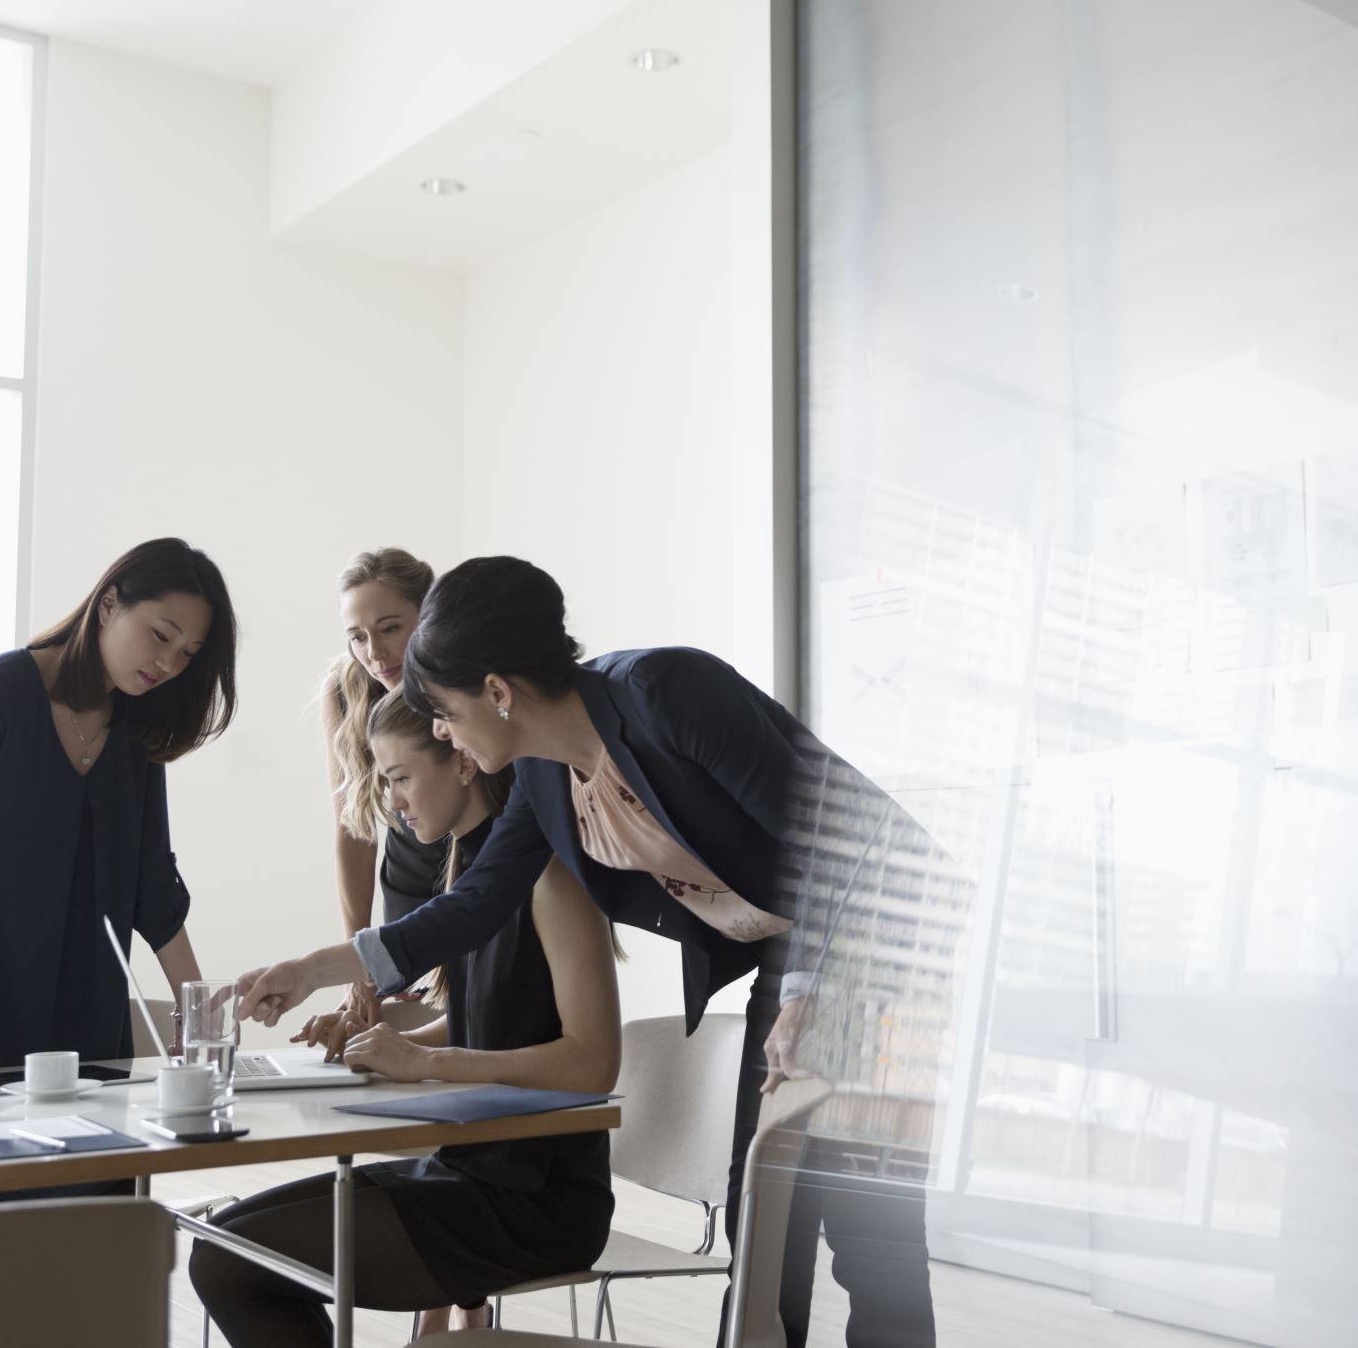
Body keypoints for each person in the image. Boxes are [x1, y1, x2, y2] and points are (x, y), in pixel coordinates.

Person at [236, 556, 942, 1348]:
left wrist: (815, 988)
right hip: (797, 954)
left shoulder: (668, 693)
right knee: (766, 1227)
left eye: (445, 711)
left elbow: (844, 839)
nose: (441, 731)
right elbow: (472, 905)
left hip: (886, 936)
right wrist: (313, 970)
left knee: (864, 1231)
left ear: (497, 691)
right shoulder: (545, 772)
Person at [191, 693, 620, 1345]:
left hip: (535, 1202)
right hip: (470, 1171)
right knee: (221, 1246)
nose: (391, 801)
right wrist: (386, 1041)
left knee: (229, 1261)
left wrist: (425, 1062)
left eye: (399, 777)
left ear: (464, 762)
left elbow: (592, 1063)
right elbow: (489, 1020)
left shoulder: (550, 876)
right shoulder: (467, 868)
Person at [0, 537, 237, 1076]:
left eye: (187, 653)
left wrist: (200, 1018)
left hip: (81, 1014)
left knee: (94, 1160)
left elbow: (152, 885)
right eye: (161, 634)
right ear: (109, 603)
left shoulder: (137, 729)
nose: (167, 662)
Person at [319, 548, 448, 1036]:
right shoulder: (346, 688)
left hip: (477, 882)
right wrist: (361, 958)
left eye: (390, 628)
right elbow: (353, 831)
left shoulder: (465, 682)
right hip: (407, 890)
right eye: (358, 636)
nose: (374, 652)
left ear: (428, 614)